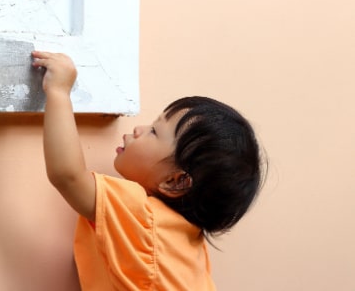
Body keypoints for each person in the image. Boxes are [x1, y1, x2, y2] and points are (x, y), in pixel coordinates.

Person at [31, 51, 265, 290]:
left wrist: (59, 92)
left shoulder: (144, 219)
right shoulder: (188, 241)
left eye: (154, 131)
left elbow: (67, 175)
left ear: (176, 182)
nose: (138, 129)